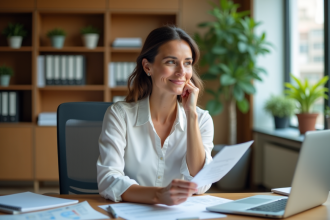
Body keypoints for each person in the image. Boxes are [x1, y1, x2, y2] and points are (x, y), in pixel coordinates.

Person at [97, 25, 214, 205]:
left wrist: (191, 116)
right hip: (130, 213)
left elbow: (200, 182)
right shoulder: (120, 115)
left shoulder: (202, 119)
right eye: (171, 62)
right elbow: (108, 179)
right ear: (147, 67)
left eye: (188, 63)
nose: (182, 72)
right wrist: (158, 195)